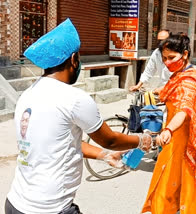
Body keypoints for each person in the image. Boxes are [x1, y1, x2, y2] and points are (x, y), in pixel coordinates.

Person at [5, 18, 152, 214]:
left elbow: (59, 141)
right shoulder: (74, 98)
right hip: (49, 209)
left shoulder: (28, 94)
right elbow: (111, 140)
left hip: (16, 203)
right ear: (74, 59)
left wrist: (104, 155)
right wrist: (142, 140)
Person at [141, 34, 196, 214]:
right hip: (174, 142)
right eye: (164, 58)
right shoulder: (179, 76)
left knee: (175, 195)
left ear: (185, 54)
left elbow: (184, 109)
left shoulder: (189, 80)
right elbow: (171, 91)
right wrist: (156, 92)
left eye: (172, 57)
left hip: (185, 143)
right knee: (169, 192)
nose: (167, 62)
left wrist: (168, 129)